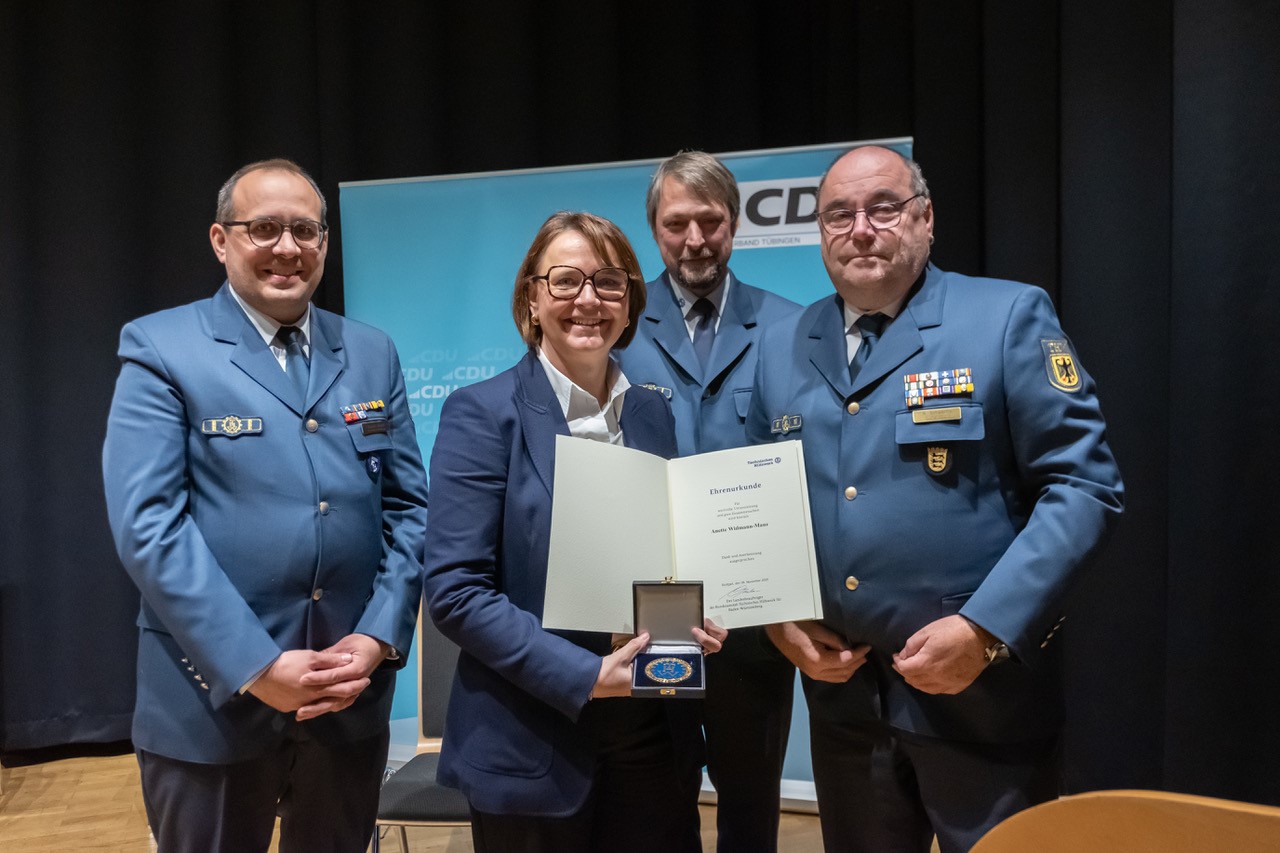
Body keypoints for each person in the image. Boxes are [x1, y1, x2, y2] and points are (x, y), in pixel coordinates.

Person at [747, 146, 1124, 852]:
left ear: (924, 219)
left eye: (883, 208)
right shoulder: (781, 345)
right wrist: (778, 618)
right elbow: (761, 498)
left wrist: (985, 628)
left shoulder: (1005, 316)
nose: (861, 229)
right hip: (846, 703)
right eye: (838, 215)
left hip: (980, 699)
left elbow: (1083, 486)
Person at [102, 159, 429, 853]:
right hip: (210, 706)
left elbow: (409, 509)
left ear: (325, 243)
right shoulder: (162, 347)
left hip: (347, 698)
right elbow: (149, 527)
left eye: (305, 230)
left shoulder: (371, 352)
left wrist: (377, 639)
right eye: (265, 228)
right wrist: (254, 664)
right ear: (221, 240)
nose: (288, 247)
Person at [424, 211, 728, 853]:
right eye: (565, 281)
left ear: (630, 303)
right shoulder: (482, 413)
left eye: (609, 282)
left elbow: (661, 560)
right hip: (532, 741)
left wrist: (698, 617)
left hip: (654, 733)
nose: (588, 299)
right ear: (532, 300)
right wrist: (584, 675)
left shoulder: (650, 411)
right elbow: (456, 592)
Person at [615, 150, 800, 852]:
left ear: (735, 222)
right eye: (676, 224)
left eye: (710, 221)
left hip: (756, 613)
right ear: (654, 229)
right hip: (652, 606)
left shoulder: (793, 326)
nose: (694, 240)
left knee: (751, 803)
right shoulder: (616, 322)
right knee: (658, 802)